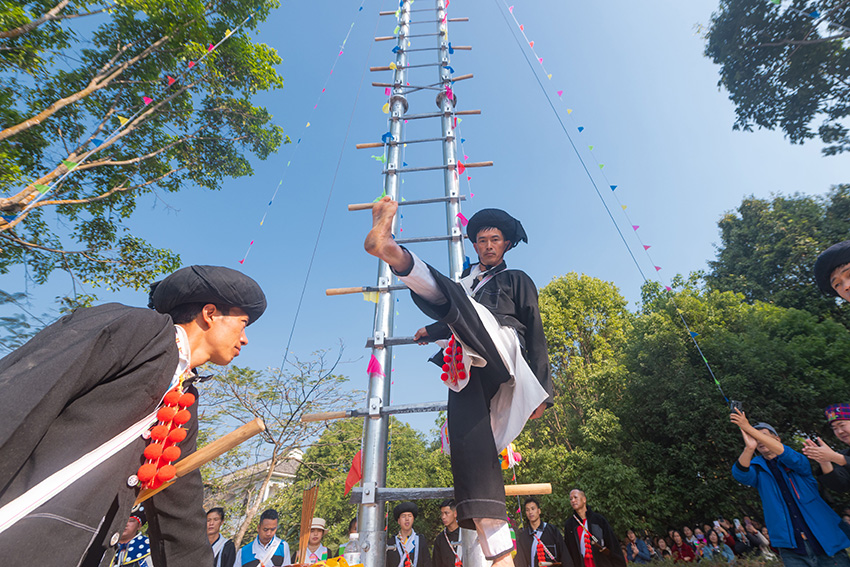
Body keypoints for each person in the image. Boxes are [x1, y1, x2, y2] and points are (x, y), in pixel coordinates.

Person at [0, 265, 266, 567]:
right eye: (242, 324)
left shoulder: (184, 397)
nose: (245, 339)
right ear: (210, 313)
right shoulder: (139, 328)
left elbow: (177, 503)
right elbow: (26, 392)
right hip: (15, 529)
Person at [365, 199, 553, 566]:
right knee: (471, 446)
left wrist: (543, 391)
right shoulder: (468, 281)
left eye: (494, 239)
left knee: (456, 294)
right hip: (465, 360)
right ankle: (499, 551)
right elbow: (455, 312)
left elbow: (535, 329)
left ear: (506, 244)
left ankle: (394, 253)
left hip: (501, 346)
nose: (487, 246)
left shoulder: (516, 279)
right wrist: (432, 329)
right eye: (481, 240)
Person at [731, 409, 850, 567]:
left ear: (777, 439)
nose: (759, 440)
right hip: (791, 547)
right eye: (755, 437)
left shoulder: (796, 460)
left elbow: (787, 455)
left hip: (824, 538)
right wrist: (749, 448)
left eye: (763, 436)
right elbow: (740, 475)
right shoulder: (757, 469)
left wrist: (748, 428)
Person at [564, 489, 625, 567]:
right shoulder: (569, 525)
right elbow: (568, 550)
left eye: (575, 497)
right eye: (571, 499)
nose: (573, 500)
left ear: (584, 499)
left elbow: (612, 543)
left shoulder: (598, 520)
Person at [802, 404, 850, 492]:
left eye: (842, 425)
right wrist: (824, 462)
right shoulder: (844, 454)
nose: (839, 431)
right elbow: (841, 486)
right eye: (834, 428)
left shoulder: (840, 457)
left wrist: (834, 457)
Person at [516, 497, 570, 567]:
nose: (530, 512)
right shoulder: (523, 537)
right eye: (527, 510)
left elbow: (564, 555)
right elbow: (521, 561)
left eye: (533, 509)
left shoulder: (552, 531)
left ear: (539, 511)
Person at [387, 502, 431, 567]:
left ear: (413, 519)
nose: (407, 519)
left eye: (410, 516)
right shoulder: (391, 542)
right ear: (398, 521)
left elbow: (427, 563)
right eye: (403, 516)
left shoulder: (420, 540)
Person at [433, 499, 462, 567]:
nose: (443, 517)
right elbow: (436, 563)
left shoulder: (465, 534)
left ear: (455, 513)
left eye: (446, 513)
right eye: (442, 513)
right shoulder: (440, 539)